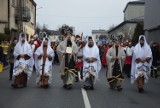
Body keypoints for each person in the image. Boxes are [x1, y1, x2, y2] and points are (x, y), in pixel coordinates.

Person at [57, 25, 78, 90]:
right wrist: (63, 52)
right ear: (65, 36)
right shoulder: (61, 44)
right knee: (65, 72)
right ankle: (65, 83)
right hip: (64, 59)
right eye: (67, 35)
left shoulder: (73, 43)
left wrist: (73, 53)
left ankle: (69, 83)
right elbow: (58, 50)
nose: (69, 37)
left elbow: (76, 50)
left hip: (71, 59)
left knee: (71, 72)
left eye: (70, 35)